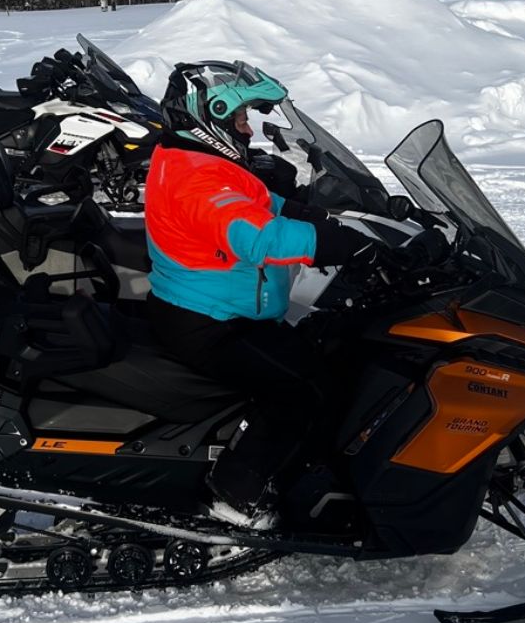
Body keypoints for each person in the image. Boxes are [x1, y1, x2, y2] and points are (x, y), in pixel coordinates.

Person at [144, 61, 377, 526]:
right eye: (240, 119)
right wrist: (341, 245)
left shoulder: (196, 162)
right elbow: (260, 239)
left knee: (322, 347)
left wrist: (336, 217)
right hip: (211, 323)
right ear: (209, 119)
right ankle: (234, 495)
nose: (248, 129)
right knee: (304, 389)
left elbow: (262, 203)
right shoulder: (200, 179)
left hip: (208, 307)